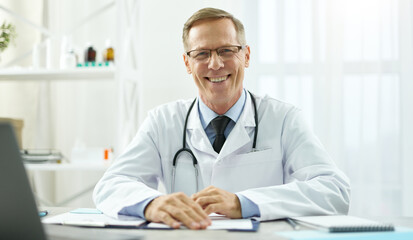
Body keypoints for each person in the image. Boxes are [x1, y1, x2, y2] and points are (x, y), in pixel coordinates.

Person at [93, 7, 350, 230]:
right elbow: (110, 186)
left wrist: (243, 203)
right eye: (202, 54)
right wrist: (151, 203)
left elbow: (334, 190)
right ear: (187, 63)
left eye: (226, 50)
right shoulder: (162, 122)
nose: (215, 64)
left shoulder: (284, 119)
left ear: (246, 56)